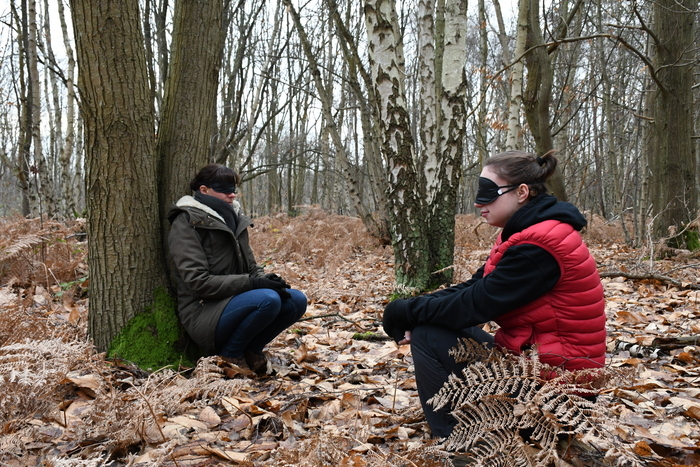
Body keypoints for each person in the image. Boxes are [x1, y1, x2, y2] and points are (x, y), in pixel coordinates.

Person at [382, 150, 606, 438]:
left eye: (489, 192)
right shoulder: (525, 233)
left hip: (557, 397)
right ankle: (469, 430)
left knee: (427, 335)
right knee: (430, 325)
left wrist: (404, 312)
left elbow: (476, 304)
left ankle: (461, 444)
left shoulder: (540, 247)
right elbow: (474, 287)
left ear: (522, 192)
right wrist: (408, 310)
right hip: (536, 370)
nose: (478, 203)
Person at [167, 163, 307, 376]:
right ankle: (230, 355)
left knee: (295, 300)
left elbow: (251, 267)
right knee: (268, 299)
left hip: (234, 303)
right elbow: (198, 281)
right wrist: (254, 284)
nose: (232, 195)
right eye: (224, 190)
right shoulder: (186, 221)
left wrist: (267, 279)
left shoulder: (234, 218)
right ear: (204, 190)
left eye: (233, 189)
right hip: (203, 311)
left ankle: (251, 350)